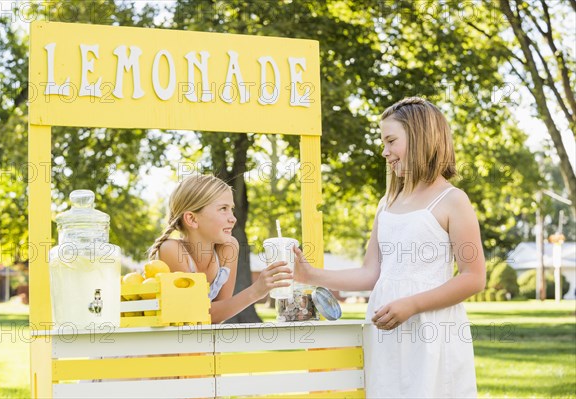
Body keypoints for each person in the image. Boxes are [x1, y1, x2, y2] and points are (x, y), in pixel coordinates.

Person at [294, 97, 486, 398]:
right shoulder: (387, 204)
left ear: (421, 137)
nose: (385, 152)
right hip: (385, 331)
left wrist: (412, 305)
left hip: (430, 330)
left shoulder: (452, 200)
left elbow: (473, 277)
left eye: (391, 141)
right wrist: (310, 275)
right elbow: (372, 274)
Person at [148, 174, 292, 324]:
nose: (233, 218)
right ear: (192, 219)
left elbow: (221, 314)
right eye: (223, 209)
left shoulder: (228, 248)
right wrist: (255, 291)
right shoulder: (172, 250)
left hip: (206, 343)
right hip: (173, 344)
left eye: (231, 209)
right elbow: (197, 314)